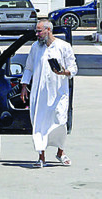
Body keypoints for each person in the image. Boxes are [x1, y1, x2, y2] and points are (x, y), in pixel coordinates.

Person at [20, 19, 78, 168]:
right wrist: (24, 86)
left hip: (58, 93)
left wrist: (63, 72)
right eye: (36, 31)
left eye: (39, 31)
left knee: (60, 121)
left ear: (48, 30)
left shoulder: (63, 46)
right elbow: (29, 68)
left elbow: (73, 68)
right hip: (39, 95)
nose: (37, 34)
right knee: (39, 123)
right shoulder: (35, 47)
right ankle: (41, 156)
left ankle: (60, 152)